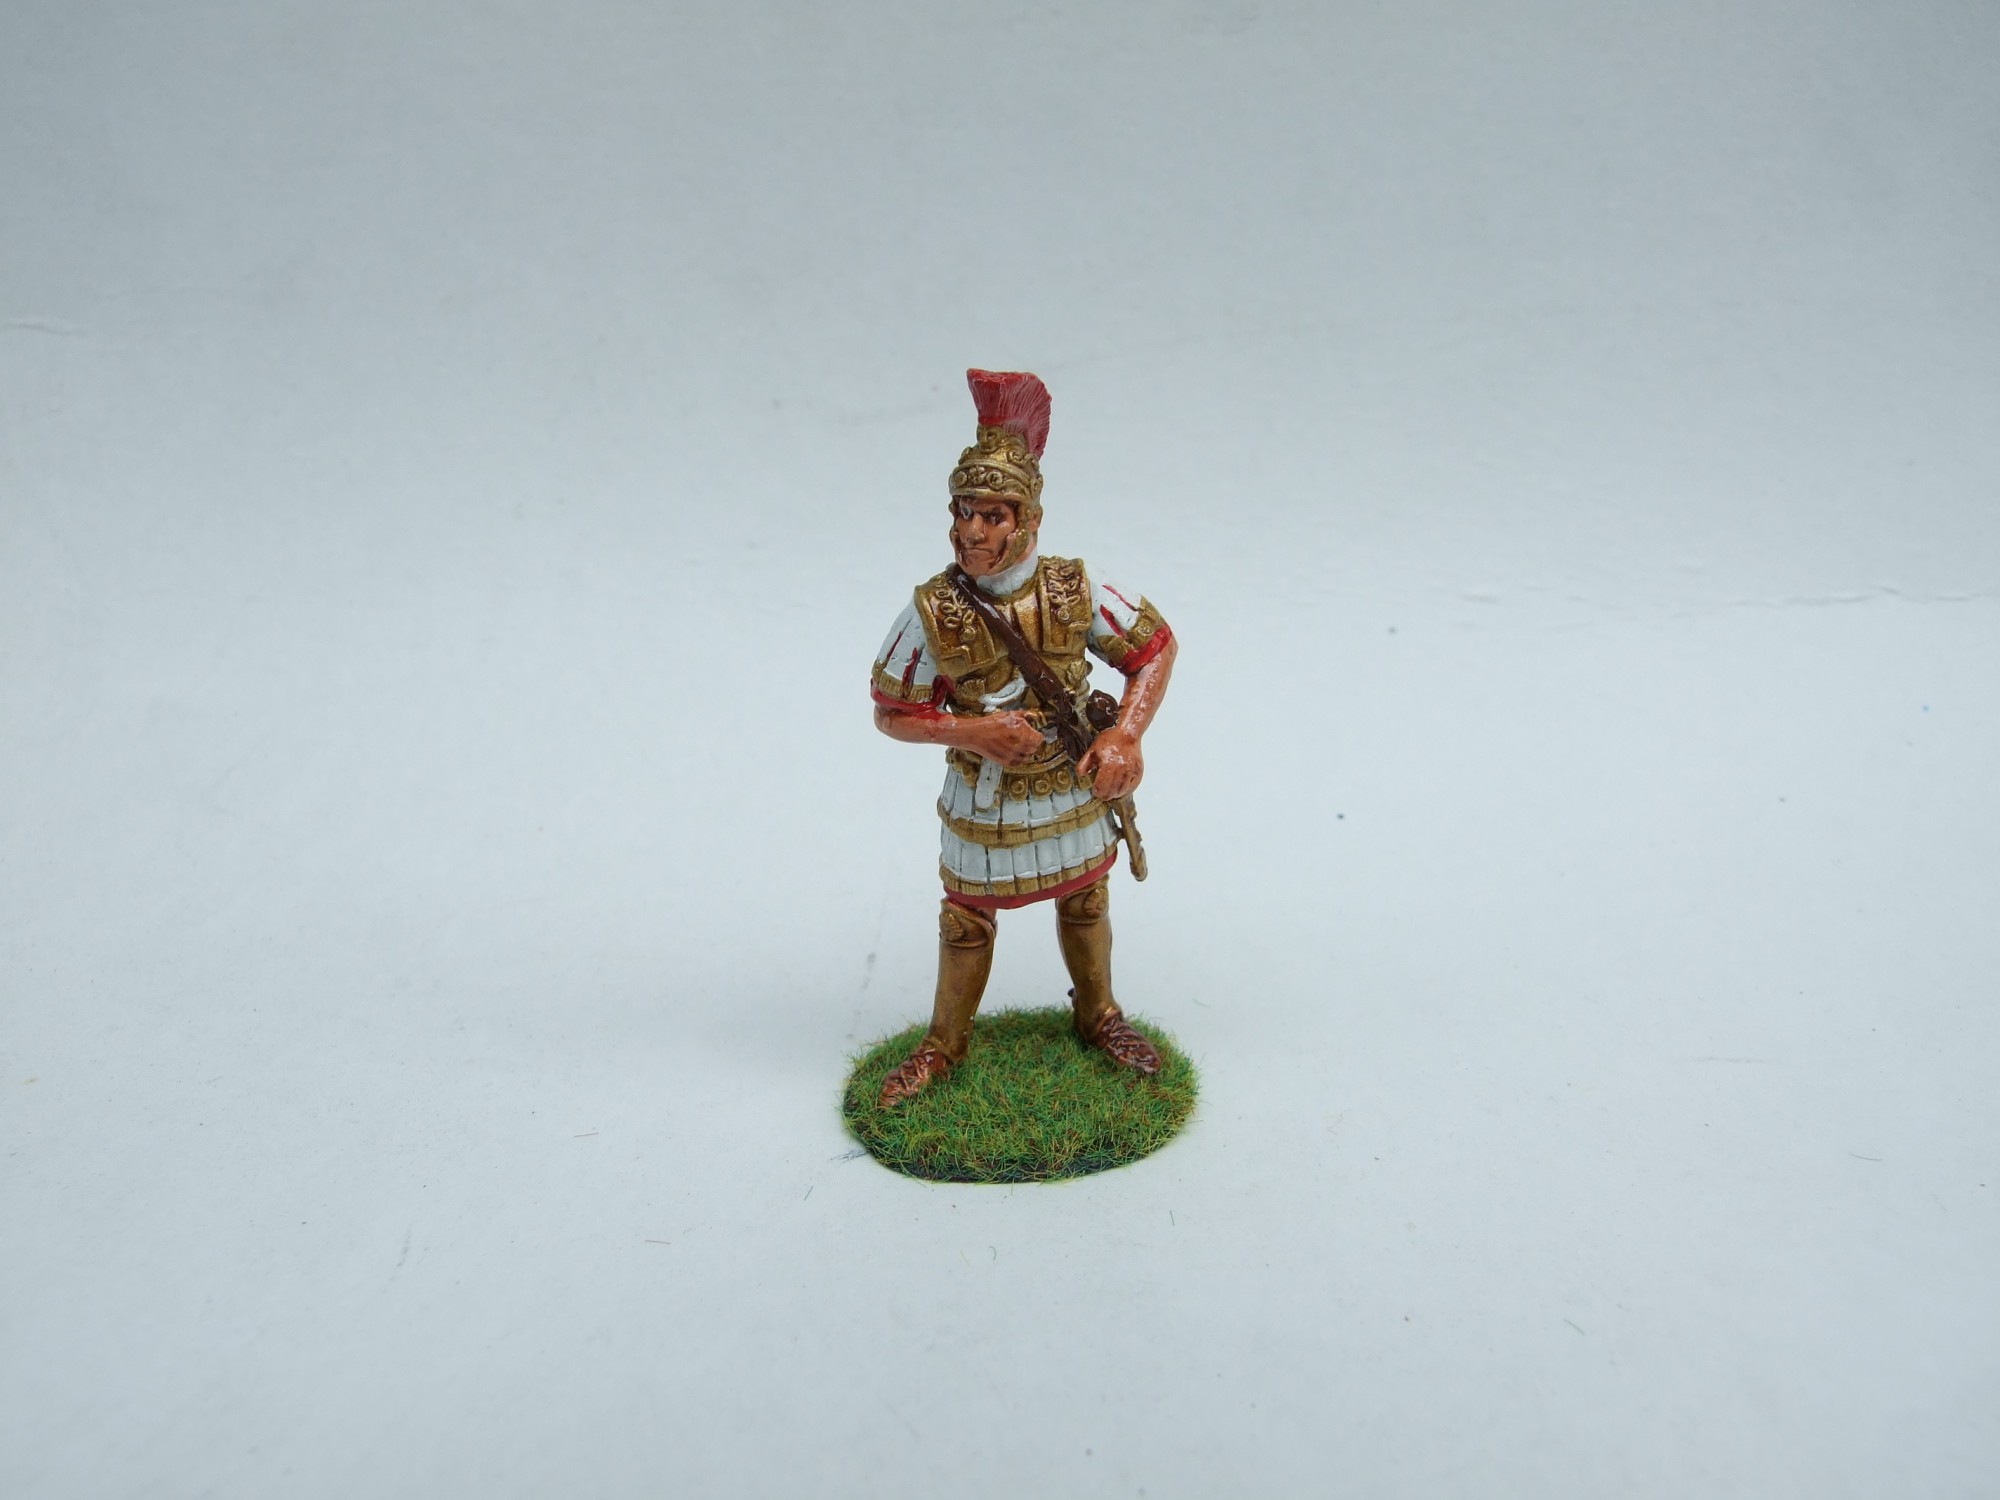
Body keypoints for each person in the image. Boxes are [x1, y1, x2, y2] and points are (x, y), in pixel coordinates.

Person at [868, 369, 1178, 1107]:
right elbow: (890, 710)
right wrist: (973, 730)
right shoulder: (934, 609)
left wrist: (1125, 737)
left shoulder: (1075, 586)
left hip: (1071, 781)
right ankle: (943, 1045)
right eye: (963, 512)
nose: (972, 532)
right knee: (966, 919)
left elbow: (1154, 647)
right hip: (986, 796)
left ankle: (1100, 1016)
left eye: (992, 515)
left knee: (1087, 900)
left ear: (1029, 519)